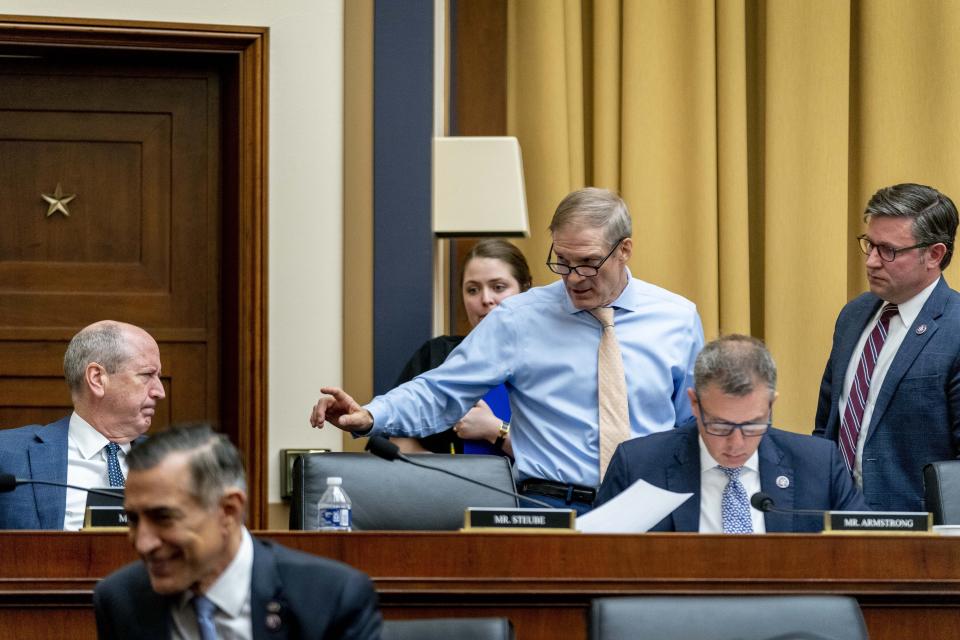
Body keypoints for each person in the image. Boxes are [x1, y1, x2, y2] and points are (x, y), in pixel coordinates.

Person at [311, 187, 705, 513]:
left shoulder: (677, 318)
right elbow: (441, 391)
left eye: (587, 263)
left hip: (648, 506)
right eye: (562, 262)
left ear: (624, 250)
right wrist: (371, 414)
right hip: (550, 506)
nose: (573, 278)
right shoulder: (519, 319)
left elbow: (692, 428)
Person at [93, 423, 382, 640]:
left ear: (228, 510)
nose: (143, 543)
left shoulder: (329, 598)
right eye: (132, 519)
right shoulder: (121, 600)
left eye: (164, 517)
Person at [596, 335, 868, 532]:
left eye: (752, 426)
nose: (736, 444)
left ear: (771, 404)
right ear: (694, 403)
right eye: (720, 426)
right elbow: (598, 561)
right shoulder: (639, 466)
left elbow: (864, 553)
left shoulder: (818, 465)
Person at [814, 183, 960, 512]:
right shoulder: (853, 316)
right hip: (837, 521)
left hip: (921, 537)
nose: (872, 261)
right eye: (869, 245)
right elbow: (827, 425)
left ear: (934, 254)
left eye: (888, 250)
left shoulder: (955, 328)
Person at [0, 320, 165, 530]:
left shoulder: (173, 461)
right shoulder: (7, 454)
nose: (160, 391)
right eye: (147, 375)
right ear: (97, 379)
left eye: (158, 377)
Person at [392, 239, 532, 456]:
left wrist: (495, 431)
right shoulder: (438, 355)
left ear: (525, 290)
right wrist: (452, 478)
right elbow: (396, 443)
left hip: (529, 489)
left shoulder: (549, 359)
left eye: (498, 287)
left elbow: (561, 460)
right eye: (473, 290)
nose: (486, 299)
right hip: (446, 488)